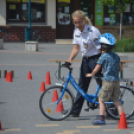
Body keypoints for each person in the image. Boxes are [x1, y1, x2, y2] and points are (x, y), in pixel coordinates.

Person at [62, 10, 102, 117]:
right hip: (85, 60)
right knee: (81, 86)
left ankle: (113, 110)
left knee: (103, 84)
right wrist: (70, 60)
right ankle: (75, 111)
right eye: (75, 22)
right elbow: (76, 48)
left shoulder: (93, 31)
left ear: (84, 20)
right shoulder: (76, 31)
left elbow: (101, 49)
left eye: (79, 22)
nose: (77, 24)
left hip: (96, 59)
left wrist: (102, 64)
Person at [86, 33, 124, 125]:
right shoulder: (116, 55)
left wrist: (91, 74)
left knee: (101, 100)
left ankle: (101, 119)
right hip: (116, 81)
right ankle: (123, 118)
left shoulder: (103, 57)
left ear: (103, 45)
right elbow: (120, 68)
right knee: (116, 101)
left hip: (107, 81)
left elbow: (96, 68)